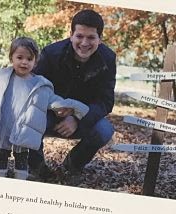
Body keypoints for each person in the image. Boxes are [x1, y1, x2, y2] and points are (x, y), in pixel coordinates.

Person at [0, 37, 88, 180]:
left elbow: (54, 101)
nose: (24, 62)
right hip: (4, 125)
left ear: (35, 61)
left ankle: (20, 180)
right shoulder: (2, 77)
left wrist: (73, 107)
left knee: (21, 158)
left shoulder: (40, 85)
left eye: (29, 59)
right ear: (11, 58)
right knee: (1, 155)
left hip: (24, 129)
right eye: (19, 57)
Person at [29, 9, 116, 179]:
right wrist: (56, 108)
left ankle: (72, 165)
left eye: (91, 37)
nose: (84, 43)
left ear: (100, 39)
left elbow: (106, 101)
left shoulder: (108, 59)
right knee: (27, 119)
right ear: (71, 35)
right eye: (79, 36)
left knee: (105, 130)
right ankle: (37, 167)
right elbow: (35, 90)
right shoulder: (51, 54)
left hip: (84, 117)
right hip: (49, 113)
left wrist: (77, 118)